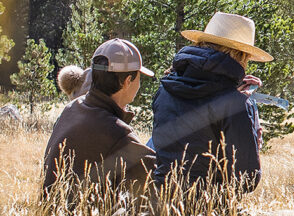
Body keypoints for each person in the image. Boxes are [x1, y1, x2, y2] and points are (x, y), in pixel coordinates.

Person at [151, 12, 271, 196]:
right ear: (241, 56)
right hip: (207, 209)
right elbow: (247, 180)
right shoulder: (235, 105)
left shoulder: (165, 88)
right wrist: (254, 136)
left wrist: (230, 89)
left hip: (161, 200)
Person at [42, 39, 156, 200]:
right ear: (127, 81)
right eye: (139, 78)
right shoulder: (118, 134)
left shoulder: (71, 108)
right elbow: (158, 181)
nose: (139, 84)